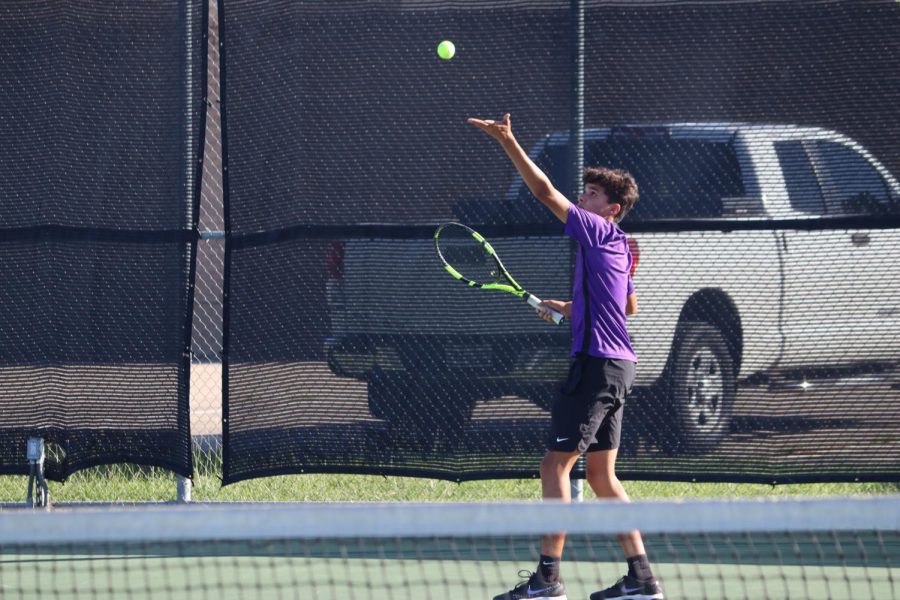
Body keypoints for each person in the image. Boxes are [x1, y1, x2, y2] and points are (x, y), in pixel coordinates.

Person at [468, 113, 664, 600]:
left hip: (597, 365)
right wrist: (573, 308)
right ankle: (642, 580)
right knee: (600, 474)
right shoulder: (618, 246)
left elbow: (543, 193)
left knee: (554, 467)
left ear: (612, 209)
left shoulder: (597, 232)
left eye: (593, 195)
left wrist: (508, 141)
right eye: (585, 192)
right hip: (620, 366)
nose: (583, 198)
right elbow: (628, 305)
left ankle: (547, 580)